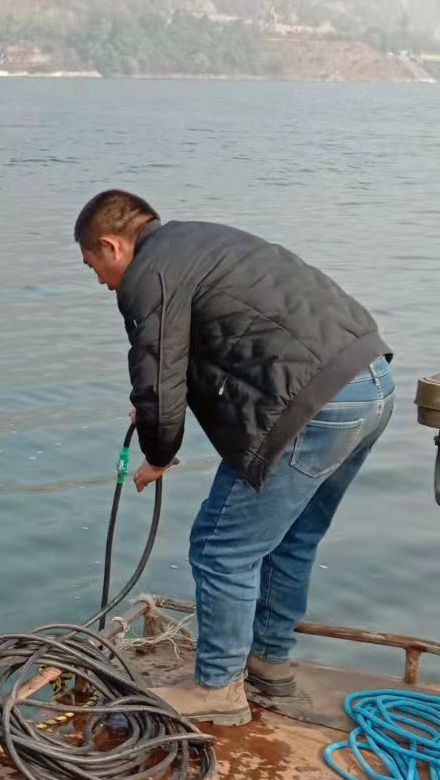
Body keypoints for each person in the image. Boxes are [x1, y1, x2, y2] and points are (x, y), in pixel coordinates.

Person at [75, 189, 393, 725]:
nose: (101, 281)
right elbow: (211, 349)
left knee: (221, 549)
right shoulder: (199, 240)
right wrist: (153, 409)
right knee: (291, 538)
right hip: (370, 383)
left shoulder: (145, 275)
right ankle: (268, 665)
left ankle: (219, 689)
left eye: (94, 266)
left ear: (111, 245)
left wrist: (157, 455)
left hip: (315, 405)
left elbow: (157, 374)